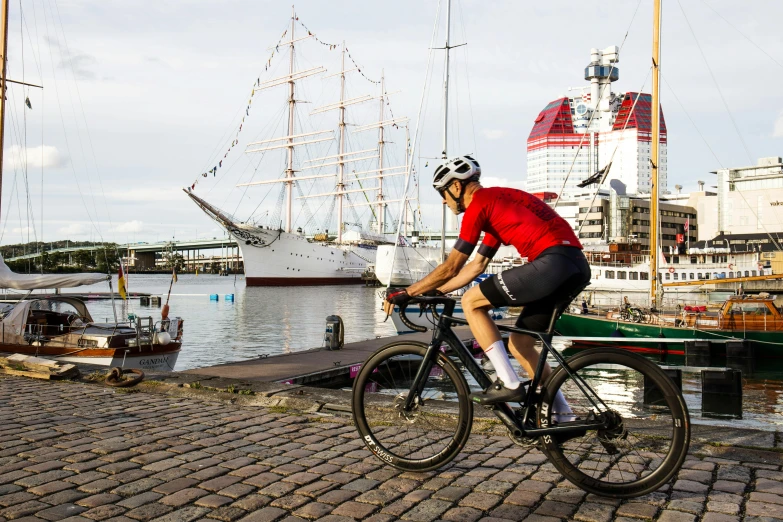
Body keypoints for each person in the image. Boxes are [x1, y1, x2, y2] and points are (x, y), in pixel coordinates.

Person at [384, 155, 591, 413]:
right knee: (520, 344)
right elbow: (476, 266)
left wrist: (408, 292)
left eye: (443, 192)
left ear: (457, 186)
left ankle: (508, 381)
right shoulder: (497, 202)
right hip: (576, 265)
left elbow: (452, 266)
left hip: (552, 263)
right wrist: (436, 292)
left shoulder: (478, 205)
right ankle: (564, 416)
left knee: (471, 301)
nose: (443, 200)